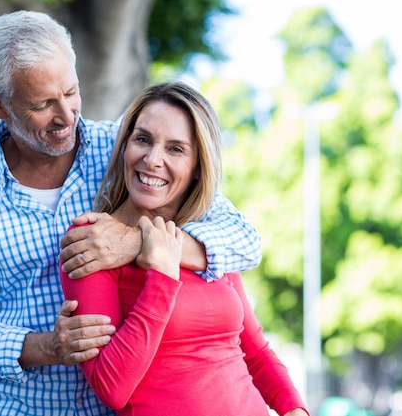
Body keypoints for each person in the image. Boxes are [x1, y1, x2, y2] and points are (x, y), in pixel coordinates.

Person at [0, 11, 261, 416]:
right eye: (43, 104)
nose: (66, 116)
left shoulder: (127, 151)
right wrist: (45, 346)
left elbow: (244, 241)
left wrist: (138, 243)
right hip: (22, 407)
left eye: (71, 92)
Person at [60, 82, 308, 416]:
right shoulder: (94, 241)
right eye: (143, 139)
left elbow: (255, 350)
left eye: (175, 149)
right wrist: (161, 274)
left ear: (196, 169)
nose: (152, 160)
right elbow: (112, 387)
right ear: (124, 146)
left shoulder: (206, 238)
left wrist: (295, 408)